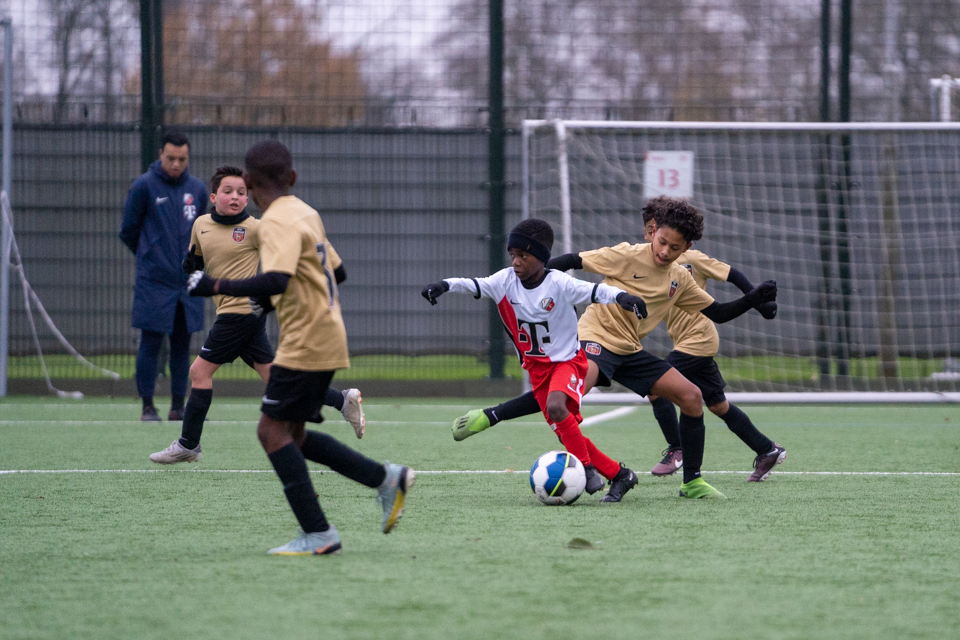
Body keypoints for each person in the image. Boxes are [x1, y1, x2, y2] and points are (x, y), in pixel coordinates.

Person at [450, 197, 778, 499]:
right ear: (653, 233)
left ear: (686, 248)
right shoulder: (626, 254)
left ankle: (692, 481)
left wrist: (752, 299)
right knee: (560, 399)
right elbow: (572, 260)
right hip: (595, 339)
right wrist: (538, 286)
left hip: (630, 349)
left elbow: (717, 313)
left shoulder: (680, 277)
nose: (664, 252)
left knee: (692, 397)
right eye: (662, 242)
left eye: (674, 248)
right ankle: (490, 416)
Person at [187, 140, 411, 555]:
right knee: (293, 434)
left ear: (250, 184)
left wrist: (213, 285)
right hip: (325, 331)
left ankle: (320, 533)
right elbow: (337, 273)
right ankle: (386, 478)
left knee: (270, 432)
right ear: (292, 178)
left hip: (306, 339)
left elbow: (277, 280)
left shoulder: (274, 223)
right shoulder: (305, 212)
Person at [149, 165, 365, 465]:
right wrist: (191, 265)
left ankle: (188, 444)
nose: (235, 197)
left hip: (240, 314)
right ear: (213, 196)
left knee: (199, 372)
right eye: (228, 192)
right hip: (236, 316)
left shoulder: (256, 228)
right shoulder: (200, 225)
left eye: (241, 192)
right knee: (276, 379)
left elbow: (285, 248)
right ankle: (342, 401)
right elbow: (196, 260)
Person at [421, 218, 648, 503]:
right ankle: (620, 474)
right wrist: (443, 286)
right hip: (537, 369)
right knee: (566, 433)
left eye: (523, 256)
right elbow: (472, 284)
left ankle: (587, 469)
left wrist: (624, 297)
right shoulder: (503, 282)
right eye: (512, 255)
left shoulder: (559, 283)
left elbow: (596, 291)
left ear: (541, 258)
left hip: (568, 362)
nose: (516, 262)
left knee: (556, 407)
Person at [639, 207, 786, 482]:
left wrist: (760, 302)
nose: (652, 236)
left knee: (655, 384)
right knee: (718, 405)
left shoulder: (690, 258)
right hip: (685, 342)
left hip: (699, 339)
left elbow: (732, 274)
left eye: (654, 229)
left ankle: (677, 449)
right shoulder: (647, 262)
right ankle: (767, 449)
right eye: (649, 230)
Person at [120, 129, 207, 422]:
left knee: (182, 346)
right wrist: (151, 257)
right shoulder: (143, 186)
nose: (176, 164)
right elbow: (128, 231)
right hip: (154, 282)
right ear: (160, 155)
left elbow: (205, 232)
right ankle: (147, 405)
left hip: (187, 284)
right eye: (171, 158)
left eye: (182, 159)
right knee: (151, 343)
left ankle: (178, 407)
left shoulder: (197, 189)